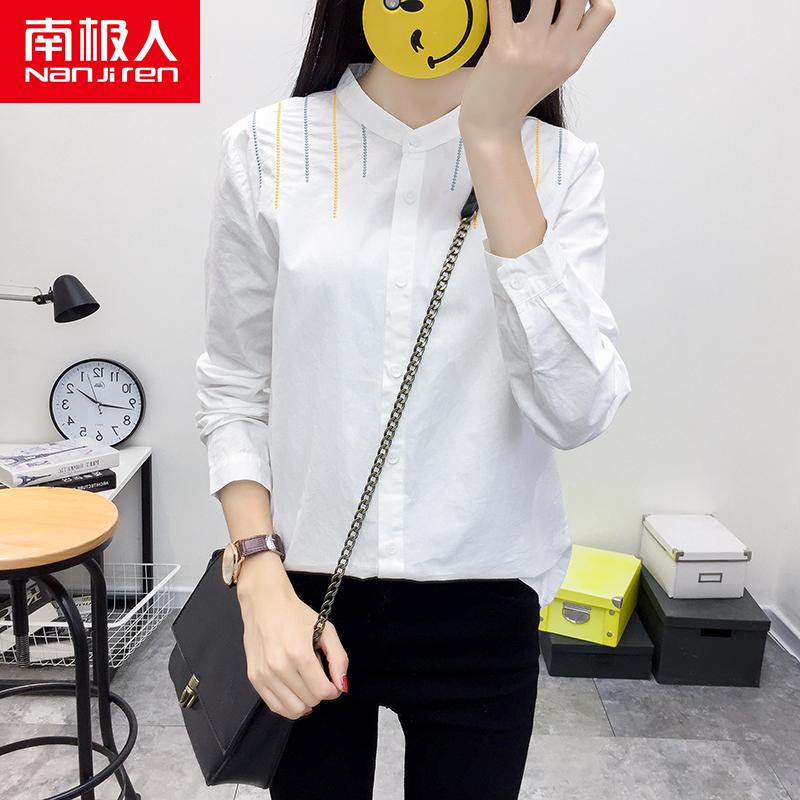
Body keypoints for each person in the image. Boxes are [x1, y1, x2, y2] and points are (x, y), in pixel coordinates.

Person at [194, 0, 626, 797]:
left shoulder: (559, 166)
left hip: (484, 602)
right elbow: (233, 383)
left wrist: (492, 139)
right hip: (304, 598)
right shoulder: (267, 147)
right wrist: (256, 575)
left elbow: (576, 410)